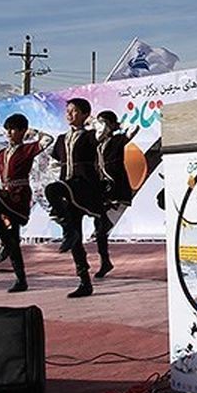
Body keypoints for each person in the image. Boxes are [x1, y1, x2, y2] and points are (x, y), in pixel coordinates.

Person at [0, 114, 51, 293]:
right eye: (8, 129)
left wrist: (33, 132)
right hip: (6, 196)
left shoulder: (27, 149)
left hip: (19, 197)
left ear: (22, 131)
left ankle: (6, 244)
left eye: (13, 129)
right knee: (12, 237)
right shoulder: (2, 153)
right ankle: (20, 278)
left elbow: (48, 139)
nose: (9, 133)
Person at [44, 98, 100, 298]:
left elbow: (102, 139)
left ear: (85, 114)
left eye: (75, 111)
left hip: (83, 186)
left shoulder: (90, 136)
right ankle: (84, 281)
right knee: (76, 236)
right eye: (68, 110)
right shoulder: (61, 139)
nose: (69, 114)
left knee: (52, 190)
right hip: (68, 188)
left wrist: (96, 126)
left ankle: (68, 230)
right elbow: (56, 159)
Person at [91, 110, 138, 279]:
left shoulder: (118, 140)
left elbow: (134, 128)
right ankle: (105, 262)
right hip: (103, 192)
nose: (100, 127)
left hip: (118, 191)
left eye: (103, 123)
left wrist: (116, 126)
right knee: (99, 229)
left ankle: (105, 262)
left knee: (102, 228)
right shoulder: (96, 145)